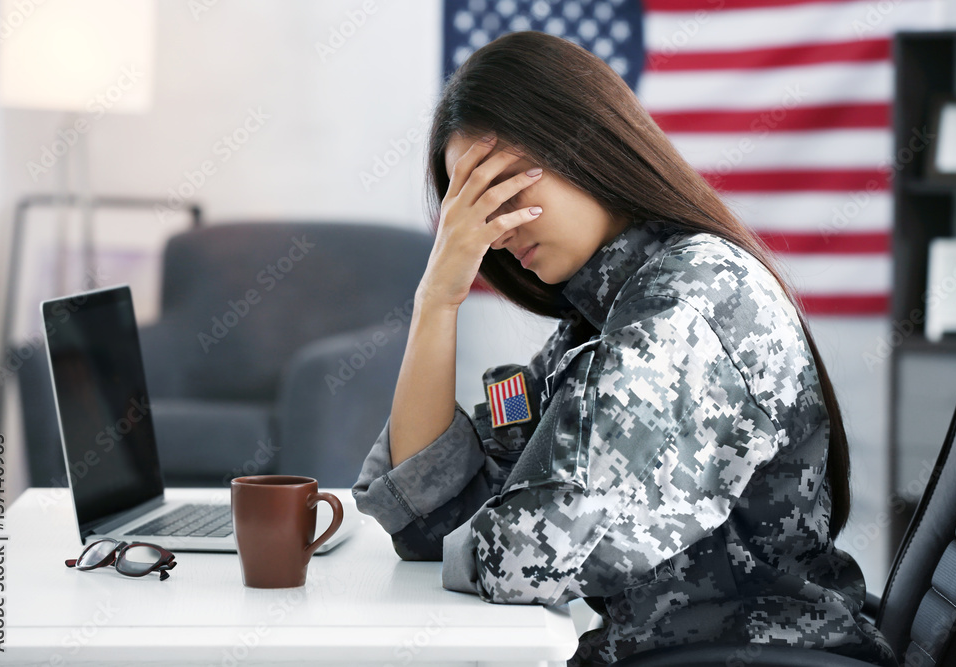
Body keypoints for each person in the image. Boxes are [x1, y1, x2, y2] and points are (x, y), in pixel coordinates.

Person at [352, 30, 896, 667]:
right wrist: (437, 300)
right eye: (469, 209)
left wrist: (483, 527)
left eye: (500, 191)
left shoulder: (690, 303)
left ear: (579, 144)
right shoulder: (605, 311)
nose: (491, 234)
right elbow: (433, 519)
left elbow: (528, 556)